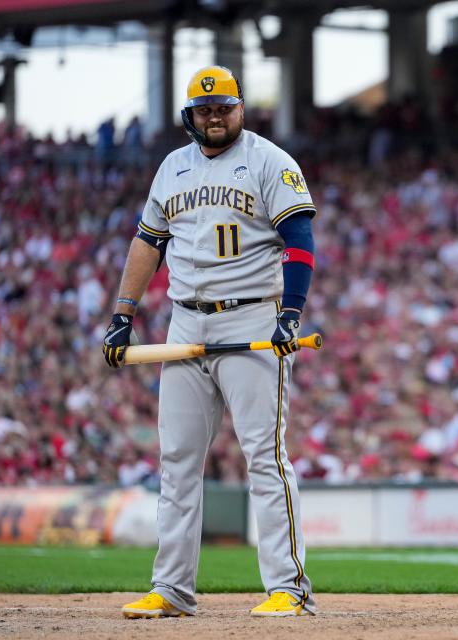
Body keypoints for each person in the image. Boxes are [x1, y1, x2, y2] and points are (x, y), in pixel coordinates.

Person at [102, 66, 318, 619]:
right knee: (176, 461)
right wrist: (124, 312)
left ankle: (288, 589)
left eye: (222, 107)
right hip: (184, 322)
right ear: (189, 116)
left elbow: (300, 239)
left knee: (265, 457)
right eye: (204, 110)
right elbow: (148, 242)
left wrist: (290, 313)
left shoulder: (271, 161)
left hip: (251, 320)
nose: (214, 116)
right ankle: (171, 589)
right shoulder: (173, 167)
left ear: (241, 108)